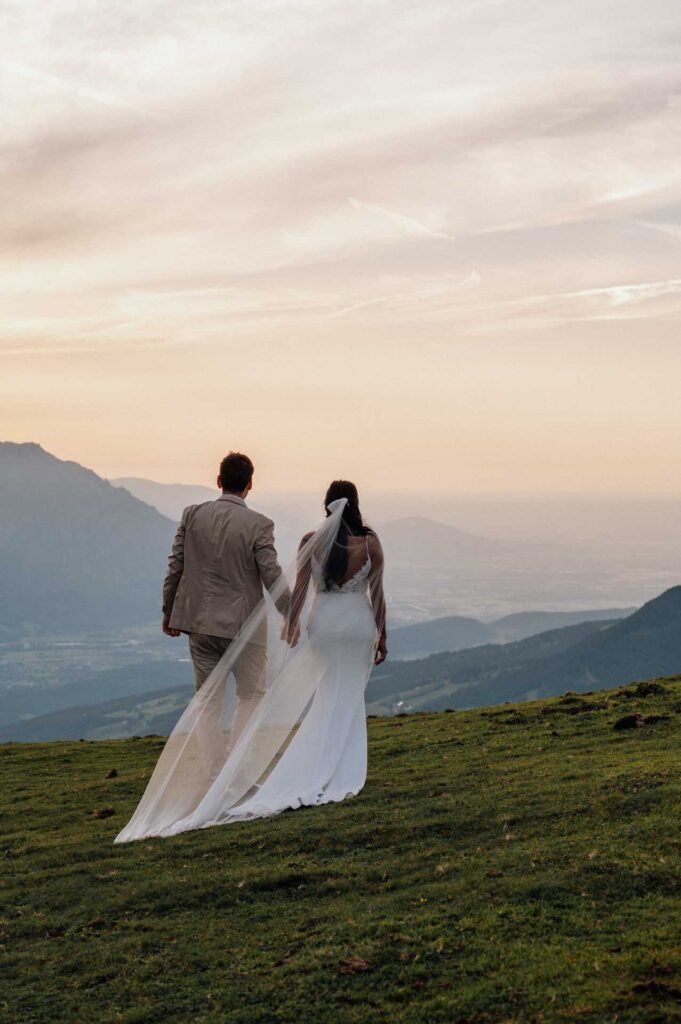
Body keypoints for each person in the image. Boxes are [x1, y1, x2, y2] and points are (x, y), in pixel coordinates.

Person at [114, 478, 387, 843]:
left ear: (327, 505)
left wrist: (291, 624)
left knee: (325, 694)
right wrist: (383, 633)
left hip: (322, 626)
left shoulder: (311, 542)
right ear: (355, 503)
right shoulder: (369, 543)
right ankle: (339, 766)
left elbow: (302, 589)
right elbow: (377, 593)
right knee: (348, 696)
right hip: (356, 626)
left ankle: (249, 769)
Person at [161, 451, 290, 742]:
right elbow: (271, 574)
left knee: (207, 702)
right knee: (252, 694)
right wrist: (290, 613)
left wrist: (169, 610)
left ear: (218, 480)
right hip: (245, 626)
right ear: (250, 484)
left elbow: (176, 566)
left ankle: (214, 773)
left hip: (199, 624)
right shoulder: (259, 524)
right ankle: (236, 771)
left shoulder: (192, 514)